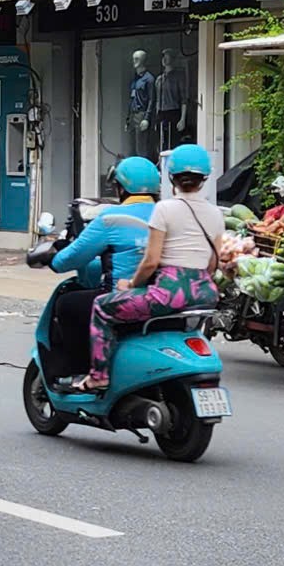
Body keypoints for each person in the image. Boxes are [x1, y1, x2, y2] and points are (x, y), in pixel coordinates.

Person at [79, 143, 224, 392]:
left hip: (169, 292)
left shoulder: (164, 209)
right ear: (205, 179)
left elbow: (151, 261)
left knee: (102, 307)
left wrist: (131, 284)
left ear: (171, 178)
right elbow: (213, 263)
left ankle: (99, 376)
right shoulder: (215, 214)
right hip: (205, 294)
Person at [49, 158, 161, 379]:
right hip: (165, 296)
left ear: (120, 187)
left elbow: (69, 259)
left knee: (67, 305)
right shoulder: (167, 215)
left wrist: (53, 258)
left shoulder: (111, 220)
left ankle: (80, 372)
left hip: (122, 296)